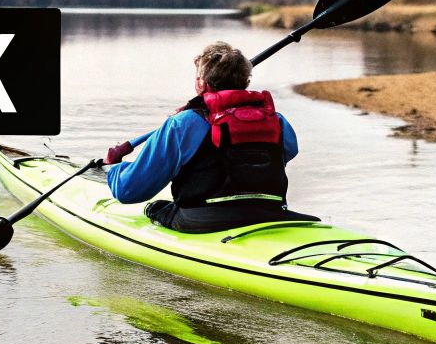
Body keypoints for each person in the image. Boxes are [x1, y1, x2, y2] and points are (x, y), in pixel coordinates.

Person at [102, 41, 315, 233]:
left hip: (203, 221)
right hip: (270, 214)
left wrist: (114, 170)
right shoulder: (277, 121)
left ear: (201, 84)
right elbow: (287, 152)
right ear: (245, 82)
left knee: (156, 208)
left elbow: (130, 191)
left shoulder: (182, 124)